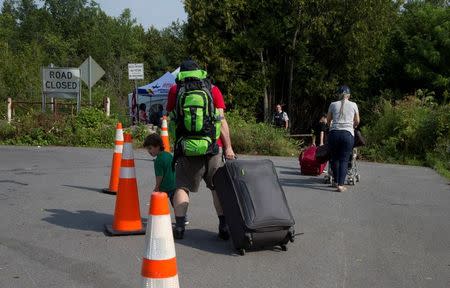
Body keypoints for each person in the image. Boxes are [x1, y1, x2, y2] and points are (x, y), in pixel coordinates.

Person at [166, 59, 236, 240]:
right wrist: (228, 147)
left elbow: (171, 119)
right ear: (199, 72)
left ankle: (180, 227)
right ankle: (224, 226)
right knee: (216, 187)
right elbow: (221, 119)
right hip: (212, 147)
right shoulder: (212, 89)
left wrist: (178, 142)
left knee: (182, 186)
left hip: (185, 147)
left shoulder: (175, 90)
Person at [143, 133, 188, 224]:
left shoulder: (158, 160)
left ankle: (157, 217)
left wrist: (157, 186)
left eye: (150, 148)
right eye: (148, 149)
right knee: (176, 203)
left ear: (158, 146)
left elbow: (159, 176)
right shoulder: (168, 155)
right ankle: (183, 218)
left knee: (158, 201)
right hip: (175, 183)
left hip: (165, 186)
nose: (149, 151)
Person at [327, 85, 360, 192]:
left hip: (334, 133)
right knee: (344, 160)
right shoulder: (354, 105)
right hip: (347, 134)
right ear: (349, 95)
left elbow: (328, 120)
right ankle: (340, 185)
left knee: (334, 159)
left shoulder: (332, 104)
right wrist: (353, 126)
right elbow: (357, 121)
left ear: (339, 94)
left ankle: (336, 181)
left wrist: (331, 126)